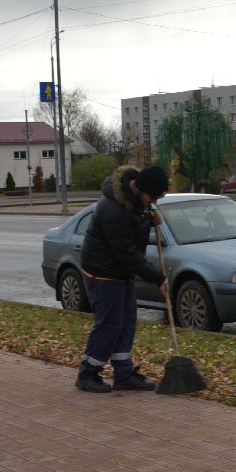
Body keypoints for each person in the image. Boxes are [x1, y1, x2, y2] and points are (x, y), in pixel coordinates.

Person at [75, 165, 171, 393]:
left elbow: (133, 239)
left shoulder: (136, 203)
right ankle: (87, 373)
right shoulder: (113, 210)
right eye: (153, 197)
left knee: (126, 322)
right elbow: (127, 253)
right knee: (109, 325)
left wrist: (149, 220)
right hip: (103, 272)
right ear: (140, 189)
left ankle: (124, 373)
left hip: (120, 272)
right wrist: (158, 278)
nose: (154, 202)